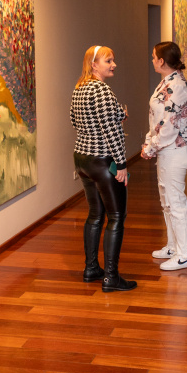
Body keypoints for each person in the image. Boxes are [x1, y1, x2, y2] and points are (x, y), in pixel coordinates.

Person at [69, 45, 136, 292]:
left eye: (113, 60)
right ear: (94, 64)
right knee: (116, 216)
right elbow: (111, 132)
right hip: (102, 160)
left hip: (82, 159)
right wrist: (121, 164)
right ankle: (111, 277)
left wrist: (115, 116)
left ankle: (91, 269)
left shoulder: (80, 87)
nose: (113, 64)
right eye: (108, 60)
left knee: (95, 214)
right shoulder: (102, 90)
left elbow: (74, 120)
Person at [142, 41, 187, 271]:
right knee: (167, 203)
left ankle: (185, 255)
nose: (152, 60)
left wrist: (150, 147)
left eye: (154, 57)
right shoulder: (167, 81)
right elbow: (156, 118)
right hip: (166, 150)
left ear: (162, 61)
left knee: (176, 203)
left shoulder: (177, 85)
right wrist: (150, 142)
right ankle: (173, 247)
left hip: (175, 150)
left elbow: (169, 125)